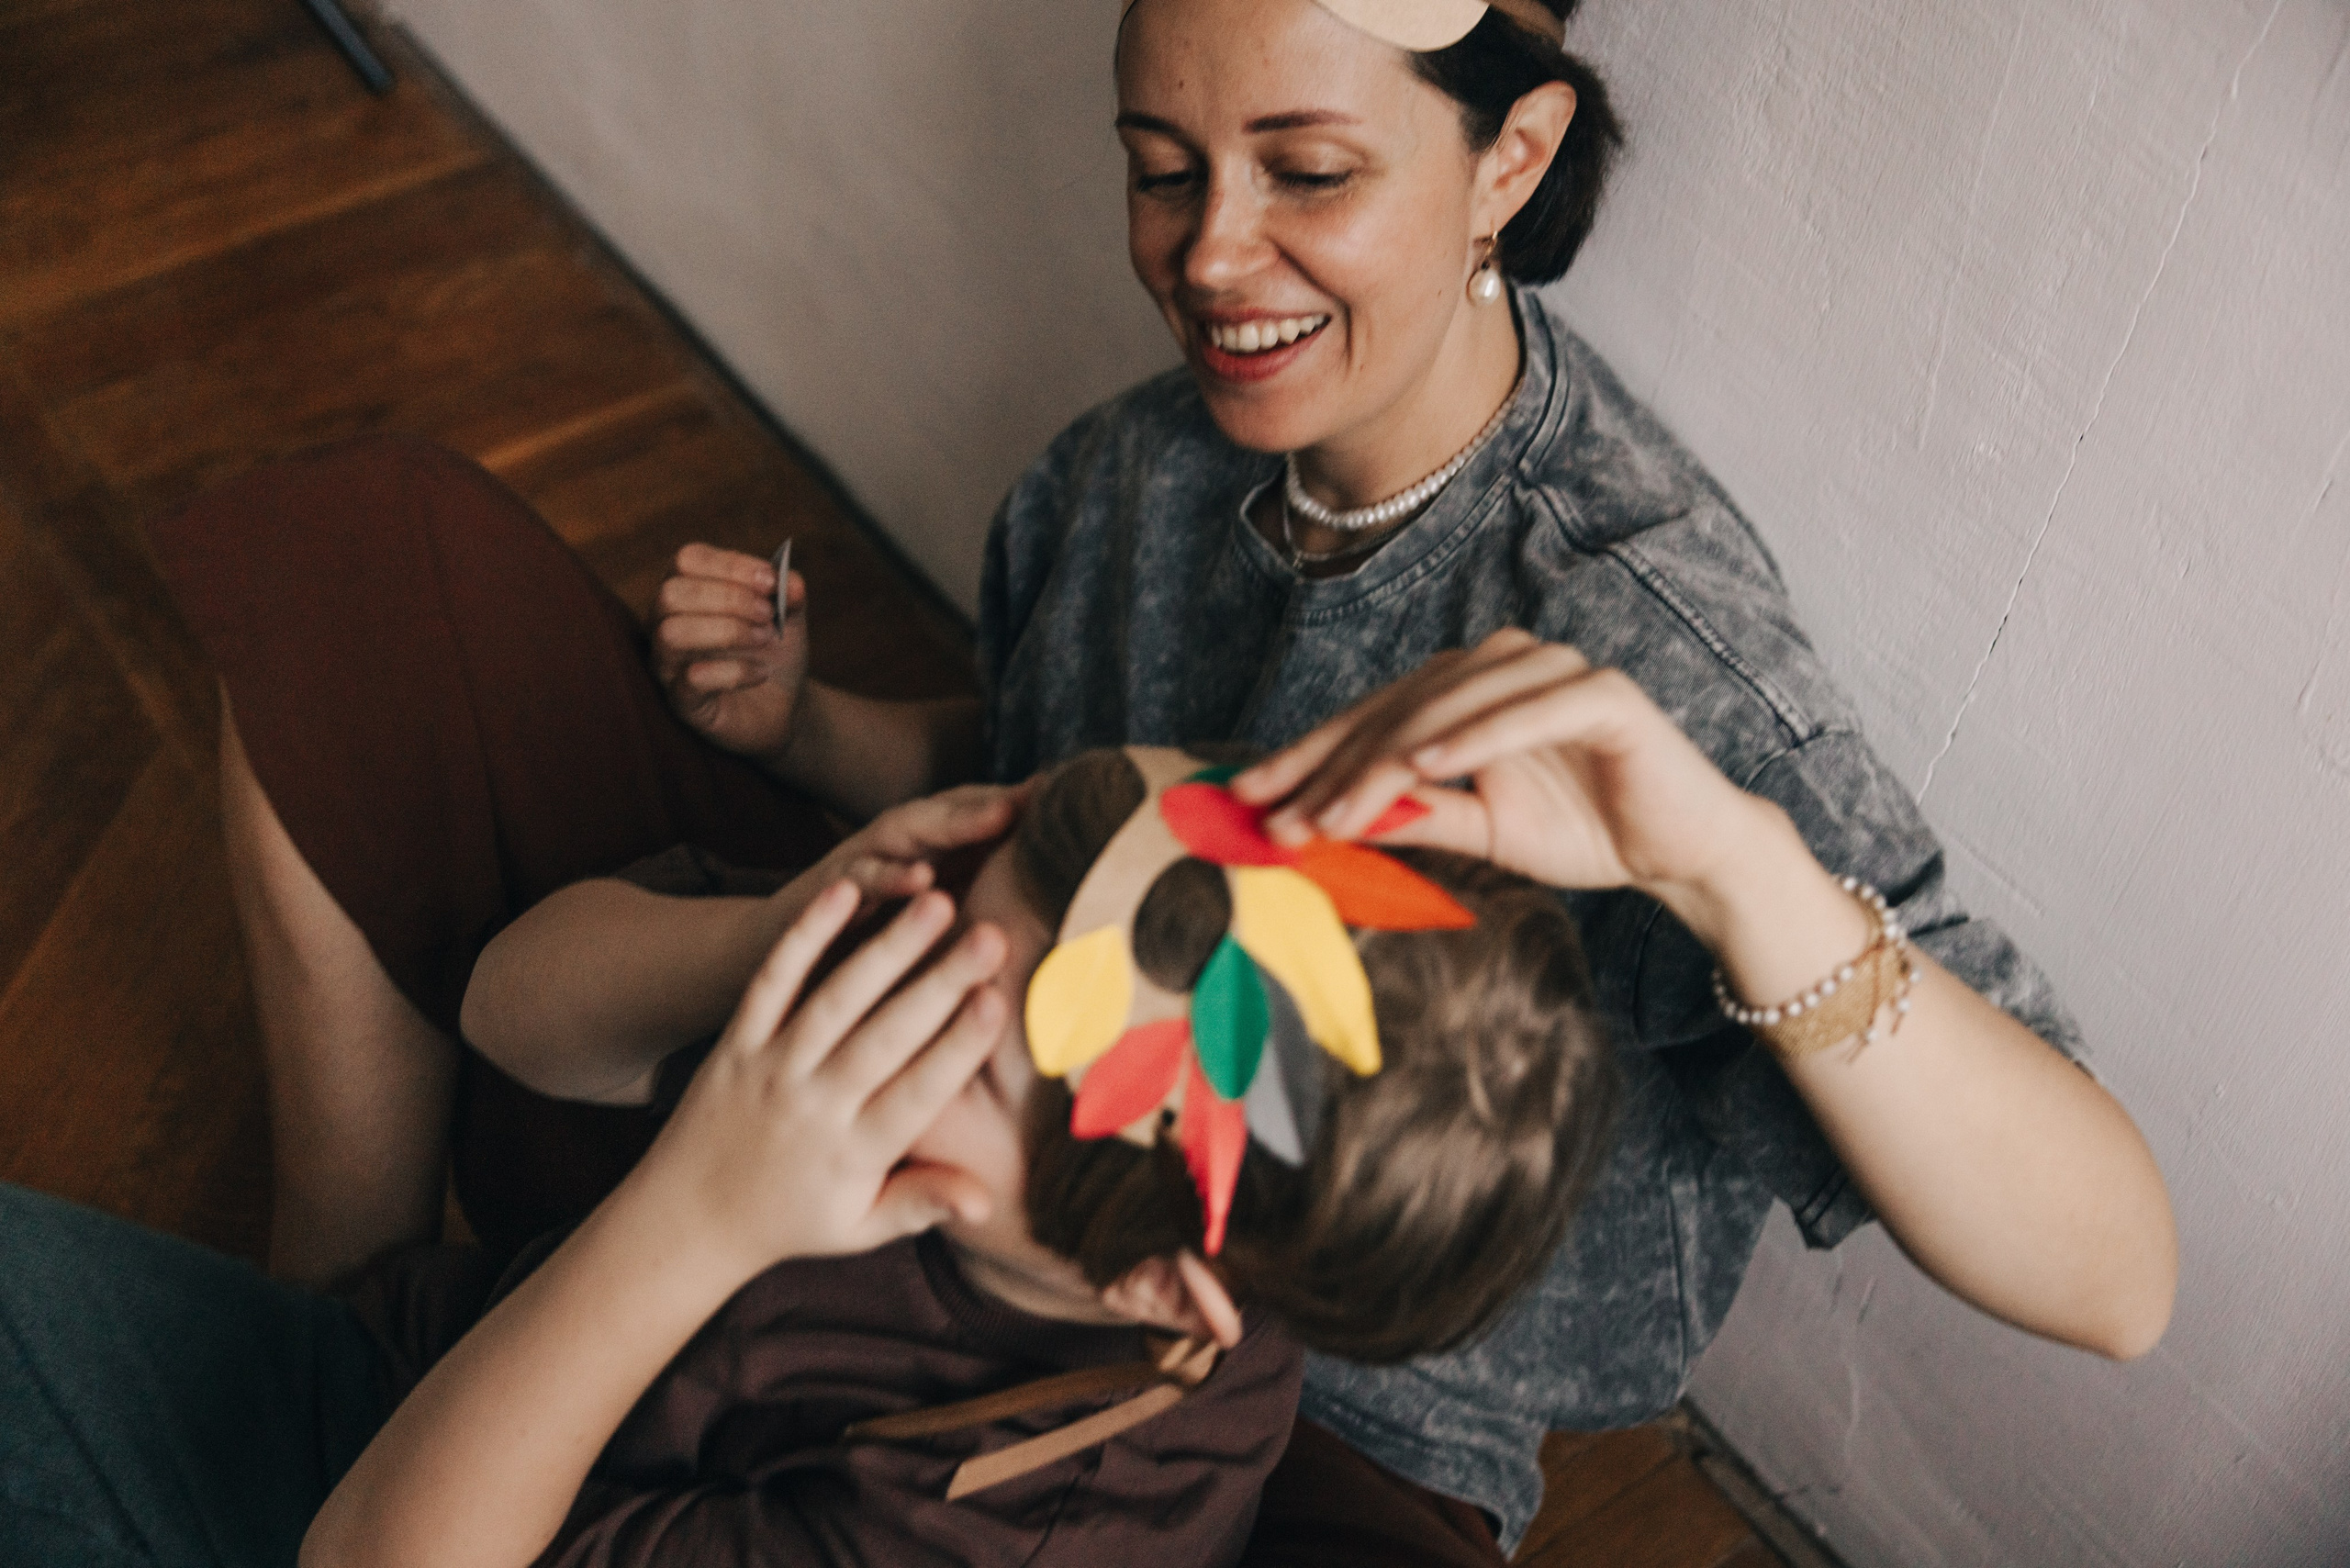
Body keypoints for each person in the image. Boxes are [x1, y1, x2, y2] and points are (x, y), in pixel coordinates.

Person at [146, 0, 2177, 1562]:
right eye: (1158, 166)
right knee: (371, 562)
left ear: (1505, 157)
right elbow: (1020, 776)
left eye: (1304, 170)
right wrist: (808, 738)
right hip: (980, 1141)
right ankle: (327, 1298)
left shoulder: (1641, 644)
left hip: (1333, 1440)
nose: (1212, 255)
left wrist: (1729, 865)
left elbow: (2114, 1274)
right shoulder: (1151, 457)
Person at [0, 745, 1619, 1568]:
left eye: (964, 1058)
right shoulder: (1004, 1065)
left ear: (1155, 1283)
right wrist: (773, 933)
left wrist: (698, 1215)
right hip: (395, 1389)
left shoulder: (1025, 1518)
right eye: (936, 943)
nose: (896, 1007)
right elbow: (508, 1008)